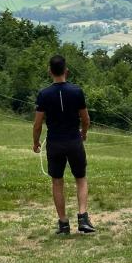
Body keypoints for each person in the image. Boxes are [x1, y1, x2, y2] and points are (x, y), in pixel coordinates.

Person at [33, 55, 95, 235]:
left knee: (57, 182)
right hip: (73, 140)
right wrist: (83, 133)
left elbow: (37, 124)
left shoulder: (44, 94)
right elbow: (85, 119)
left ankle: (63, 223)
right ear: (66, 71)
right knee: (81, 178)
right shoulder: (77, 91)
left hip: (54, 142)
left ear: (49, 71)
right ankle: (83, 217)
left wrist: (36, 142)